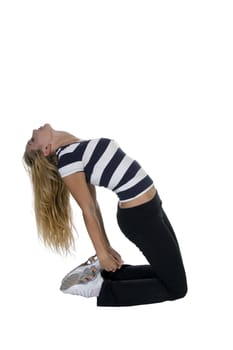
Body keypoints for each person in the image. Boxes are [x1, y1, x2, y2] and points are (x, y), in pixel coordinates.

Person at [23, 123, 188, 307]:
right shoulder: (67, 160)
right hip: (140, 217)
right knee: (177, 288)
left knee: (171, 274)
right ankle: (102, 289)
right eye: (32, 140)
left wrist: (107, 247)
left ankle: (105, 276)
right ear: (46, 149)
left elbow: (94, 204)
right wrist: (101, 253)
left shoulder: (74, 148)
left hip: (152, 207)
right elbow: (88, 209)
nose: (33, 132)